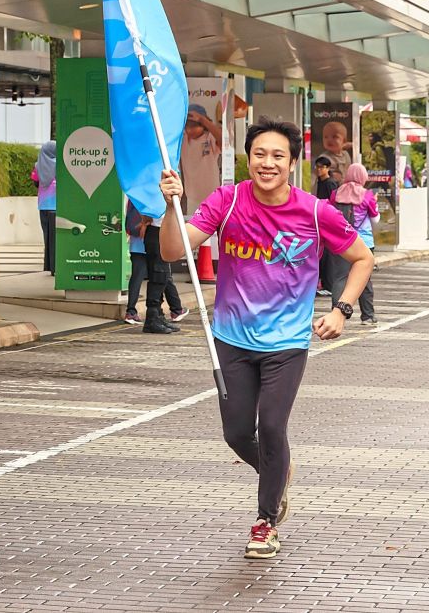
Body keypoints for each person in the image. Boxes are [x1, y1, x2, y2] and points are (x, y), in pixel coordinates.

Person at [159, 118, 374, 560]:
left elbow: (362, 259)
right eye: (260, 154)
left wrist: (342, 309)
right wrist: (170, 207)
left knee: (272, 427)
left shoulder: (315, 211)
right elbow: (172, 250)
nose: (267, 163)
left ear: (292, 163)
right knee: (238, 434)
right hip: (232, 338)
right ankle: (278, 472)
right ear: (248, 158)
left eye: (277, 156)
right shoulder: (229, 199)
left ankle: (265, 520)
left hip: (286, 343)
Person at [329, 163, 379, 325]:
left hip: (340, 240)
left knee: (339, 277)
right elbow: (375, 219)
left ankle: (336, 313)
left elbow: (330, 214)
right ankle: (367, 316)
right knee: (364, 278)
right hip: (363, 242)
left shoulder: (336, 193)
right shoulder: (367, 195)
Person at [125, 199, 188, 326]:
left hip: (138, 245)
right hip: (155, 241)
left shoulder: (135, 197)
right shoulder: (158, 198)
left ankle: (134, 312)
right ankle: (169, 312)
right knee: (162, 276)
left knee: (143, 277)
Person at [181, 103, 223, 214]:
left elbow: (224, 141)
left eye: (193, 125)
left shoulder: (210, 138)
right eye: (187, 125)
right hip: (192, 198)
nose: (189, 129)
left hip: (213, 197)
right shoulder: (183, 140)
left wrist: (202, 119)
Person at [313, 156, 339, 294]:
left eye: (321, 167)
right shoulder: (319, 182)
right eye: (317, 167)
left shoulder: (330, 184)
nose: (318, 170)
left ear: (328, 168)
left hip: (328, 221)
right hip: (318, 220)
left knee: (327, 254)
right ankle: (321, 283)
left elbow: (333, 203)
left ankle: (328, 285)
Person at [32, 141, 57, 274]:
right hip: (57, 205)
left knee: (47, 236)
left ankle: (49, 266)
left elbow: (35, 182)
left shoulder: (38, 166)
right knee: (57, 238)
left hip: (43, 206)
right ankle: (56, 267)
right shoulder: (61, 165)